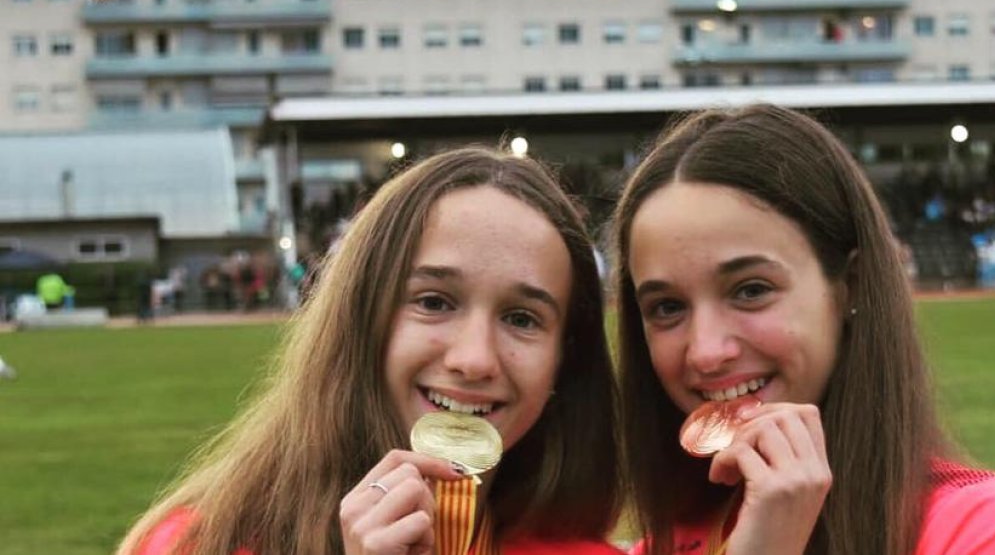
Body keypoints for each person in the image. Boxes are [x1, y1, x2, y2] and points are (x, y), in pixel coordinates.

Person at [611, 105, 995, 555]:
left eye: (750, 290)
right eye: (667, 307)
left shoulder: (989, 528)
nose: (706, 353)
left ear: (849, 286)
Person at [119, 148, 622, 555]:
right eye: (433, 301)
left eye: (521, 319)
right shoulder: (196, 544)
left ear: (566, 359)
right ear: (361, 320)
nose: (474, 360)